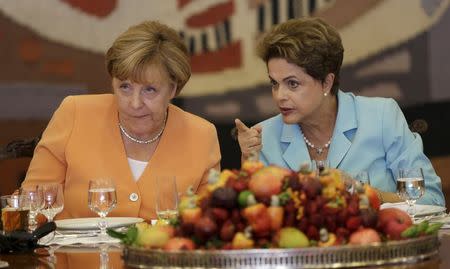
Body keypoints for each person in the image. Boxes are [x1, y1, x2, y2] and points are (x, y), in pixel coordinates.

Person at [22, 21, 221, 220]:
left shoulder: (201, 135)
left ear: (173, 89)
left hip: (160, 251)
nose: (134, 103)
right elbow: (31, 206)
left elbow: (210, 223)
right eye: (125, 87)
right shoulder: (75, 113)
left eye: (149, 90)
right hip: (71, 251)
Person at [235, 17, 444, 206]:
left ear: (326, 82)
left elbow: (432, 200)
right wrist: (248, 163)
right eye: (274, 83)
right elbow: (251, 218)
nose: (279, 95)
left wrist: (366, 194)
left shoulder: (381, 117)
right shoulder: (263, 136)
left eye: (292, 84)